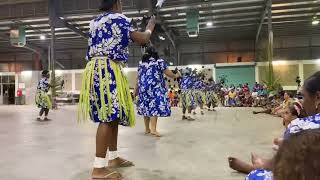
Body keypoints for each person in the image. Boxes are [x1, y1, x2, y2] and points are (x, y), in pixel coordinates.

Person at [78, 0, 156, 179]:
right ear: (117, 3)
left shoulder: (95, 21)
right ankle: (98, 168)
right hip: (107, 69)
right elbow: (143, 39)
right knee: (106, 117)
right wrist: (150, 26)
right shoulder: (119, 18)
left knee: (112, 116)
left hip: (97, 69)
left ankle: (113, 158)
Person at [230, 71, 320, 179]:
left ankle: (258, 167)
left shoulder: (301, 125)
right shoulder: (287, 105)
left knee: (255, 176)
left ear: (317, 97)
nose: (303, 102)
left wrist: (291, 145)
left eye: (304, 97)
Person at [135, 47, 180, 137]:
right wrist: (176, 75)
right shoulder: (159, 61)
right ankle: (153, 129)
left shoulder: (141, 63)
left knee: (146, 108)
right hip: (155, 88)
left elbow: (138, 77)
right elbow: (168, 73)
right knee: (154, 108)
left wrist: (136, 89)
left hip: (143, 89)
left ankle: (147, 129)